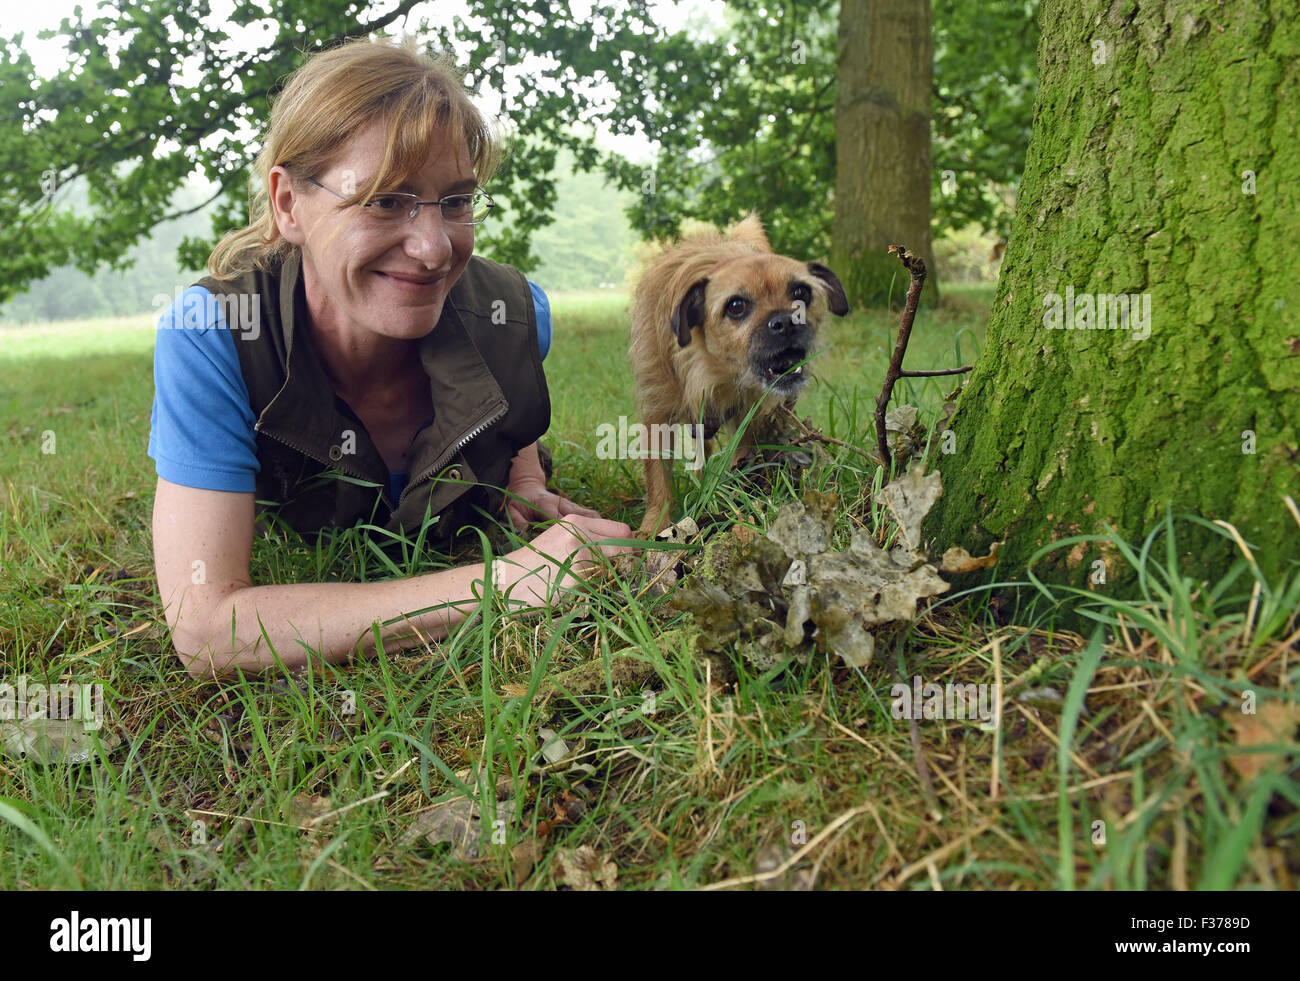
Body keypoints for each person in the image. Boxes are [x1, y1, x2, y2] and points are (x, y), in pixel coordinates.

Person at [150, 36, 636, 681]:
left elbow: (513, 404)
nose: (434, 250)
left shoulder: (517, 316)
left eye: (455, 201)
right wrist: (509, 583)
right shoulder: (212, 334)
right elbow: (209, 631)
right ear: (288, 204)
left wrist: (525, 483)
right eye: (384, 200)